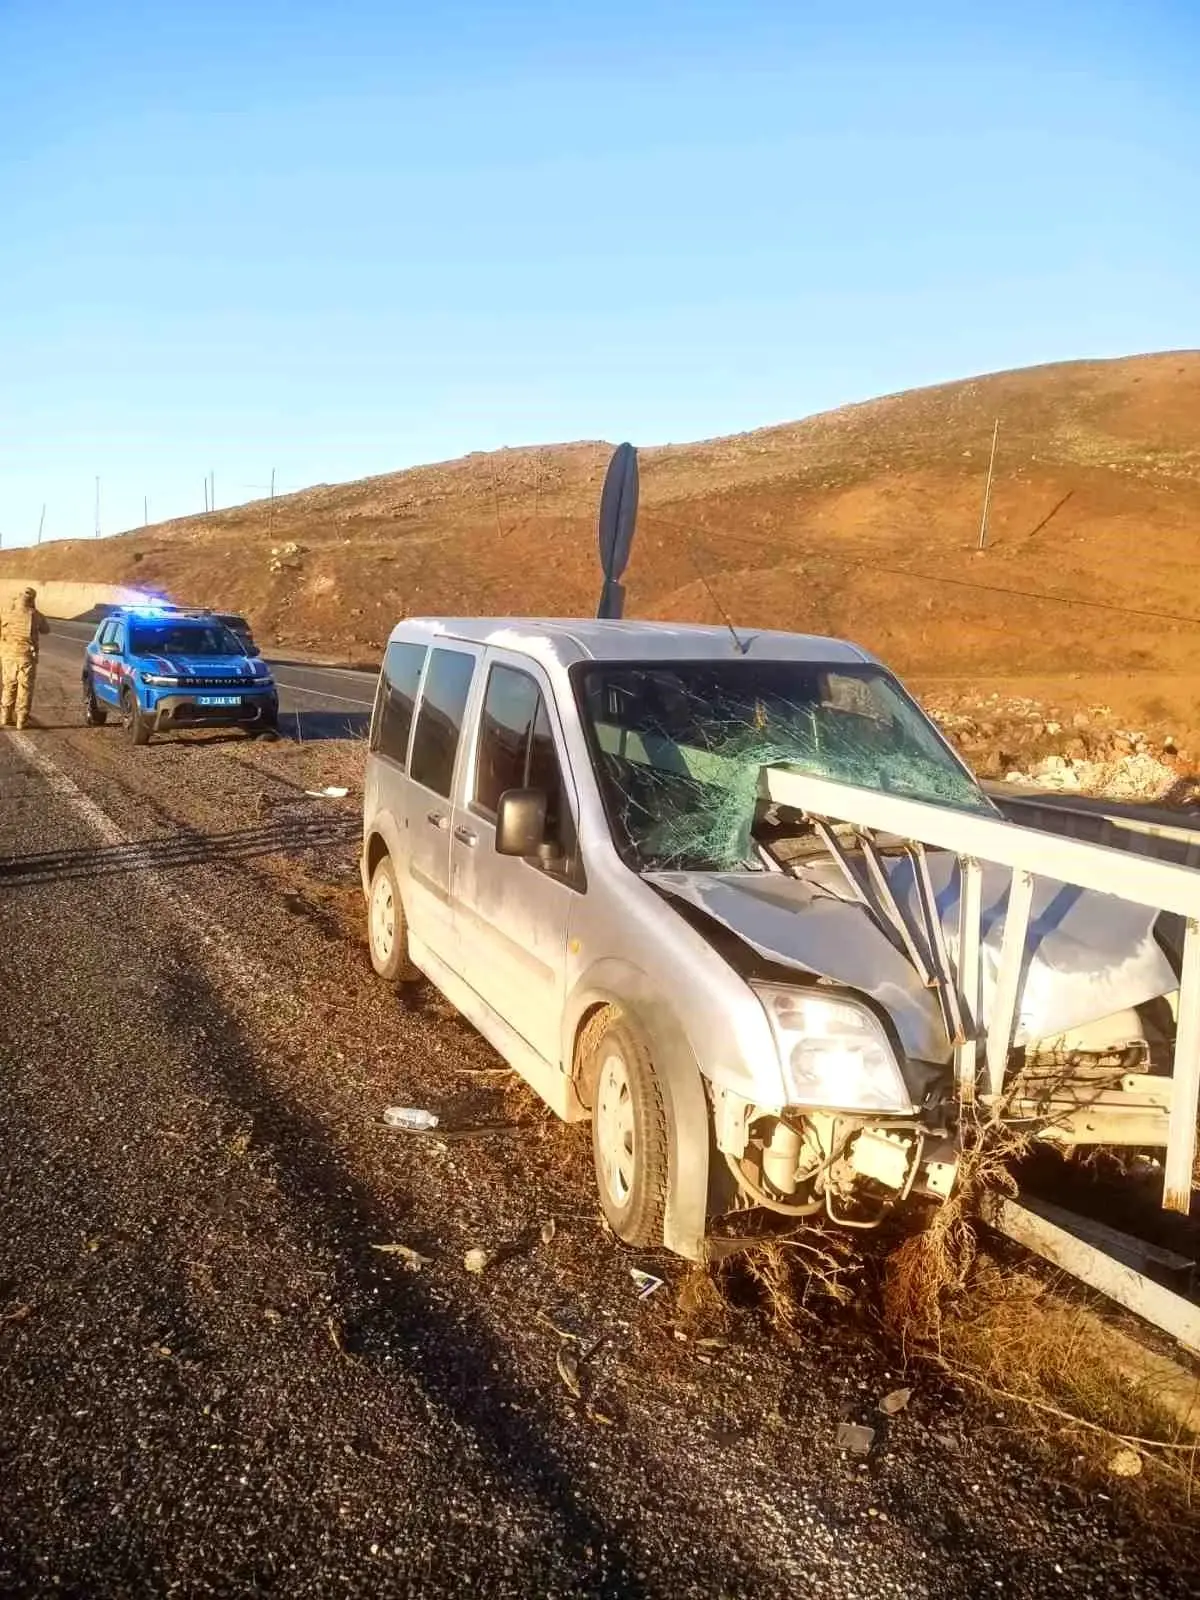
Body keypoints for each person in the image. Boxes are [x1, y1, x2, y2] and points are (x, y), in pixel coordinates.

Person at [0, 586, 50, 729]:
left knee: (9, 685)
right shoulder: (35, 615)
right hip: (26, 657)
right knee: (25, 688)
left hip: (8, 655)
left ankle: (5, 716)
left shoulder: (6, 612)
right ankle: (21, 720)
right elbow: (46, 630)